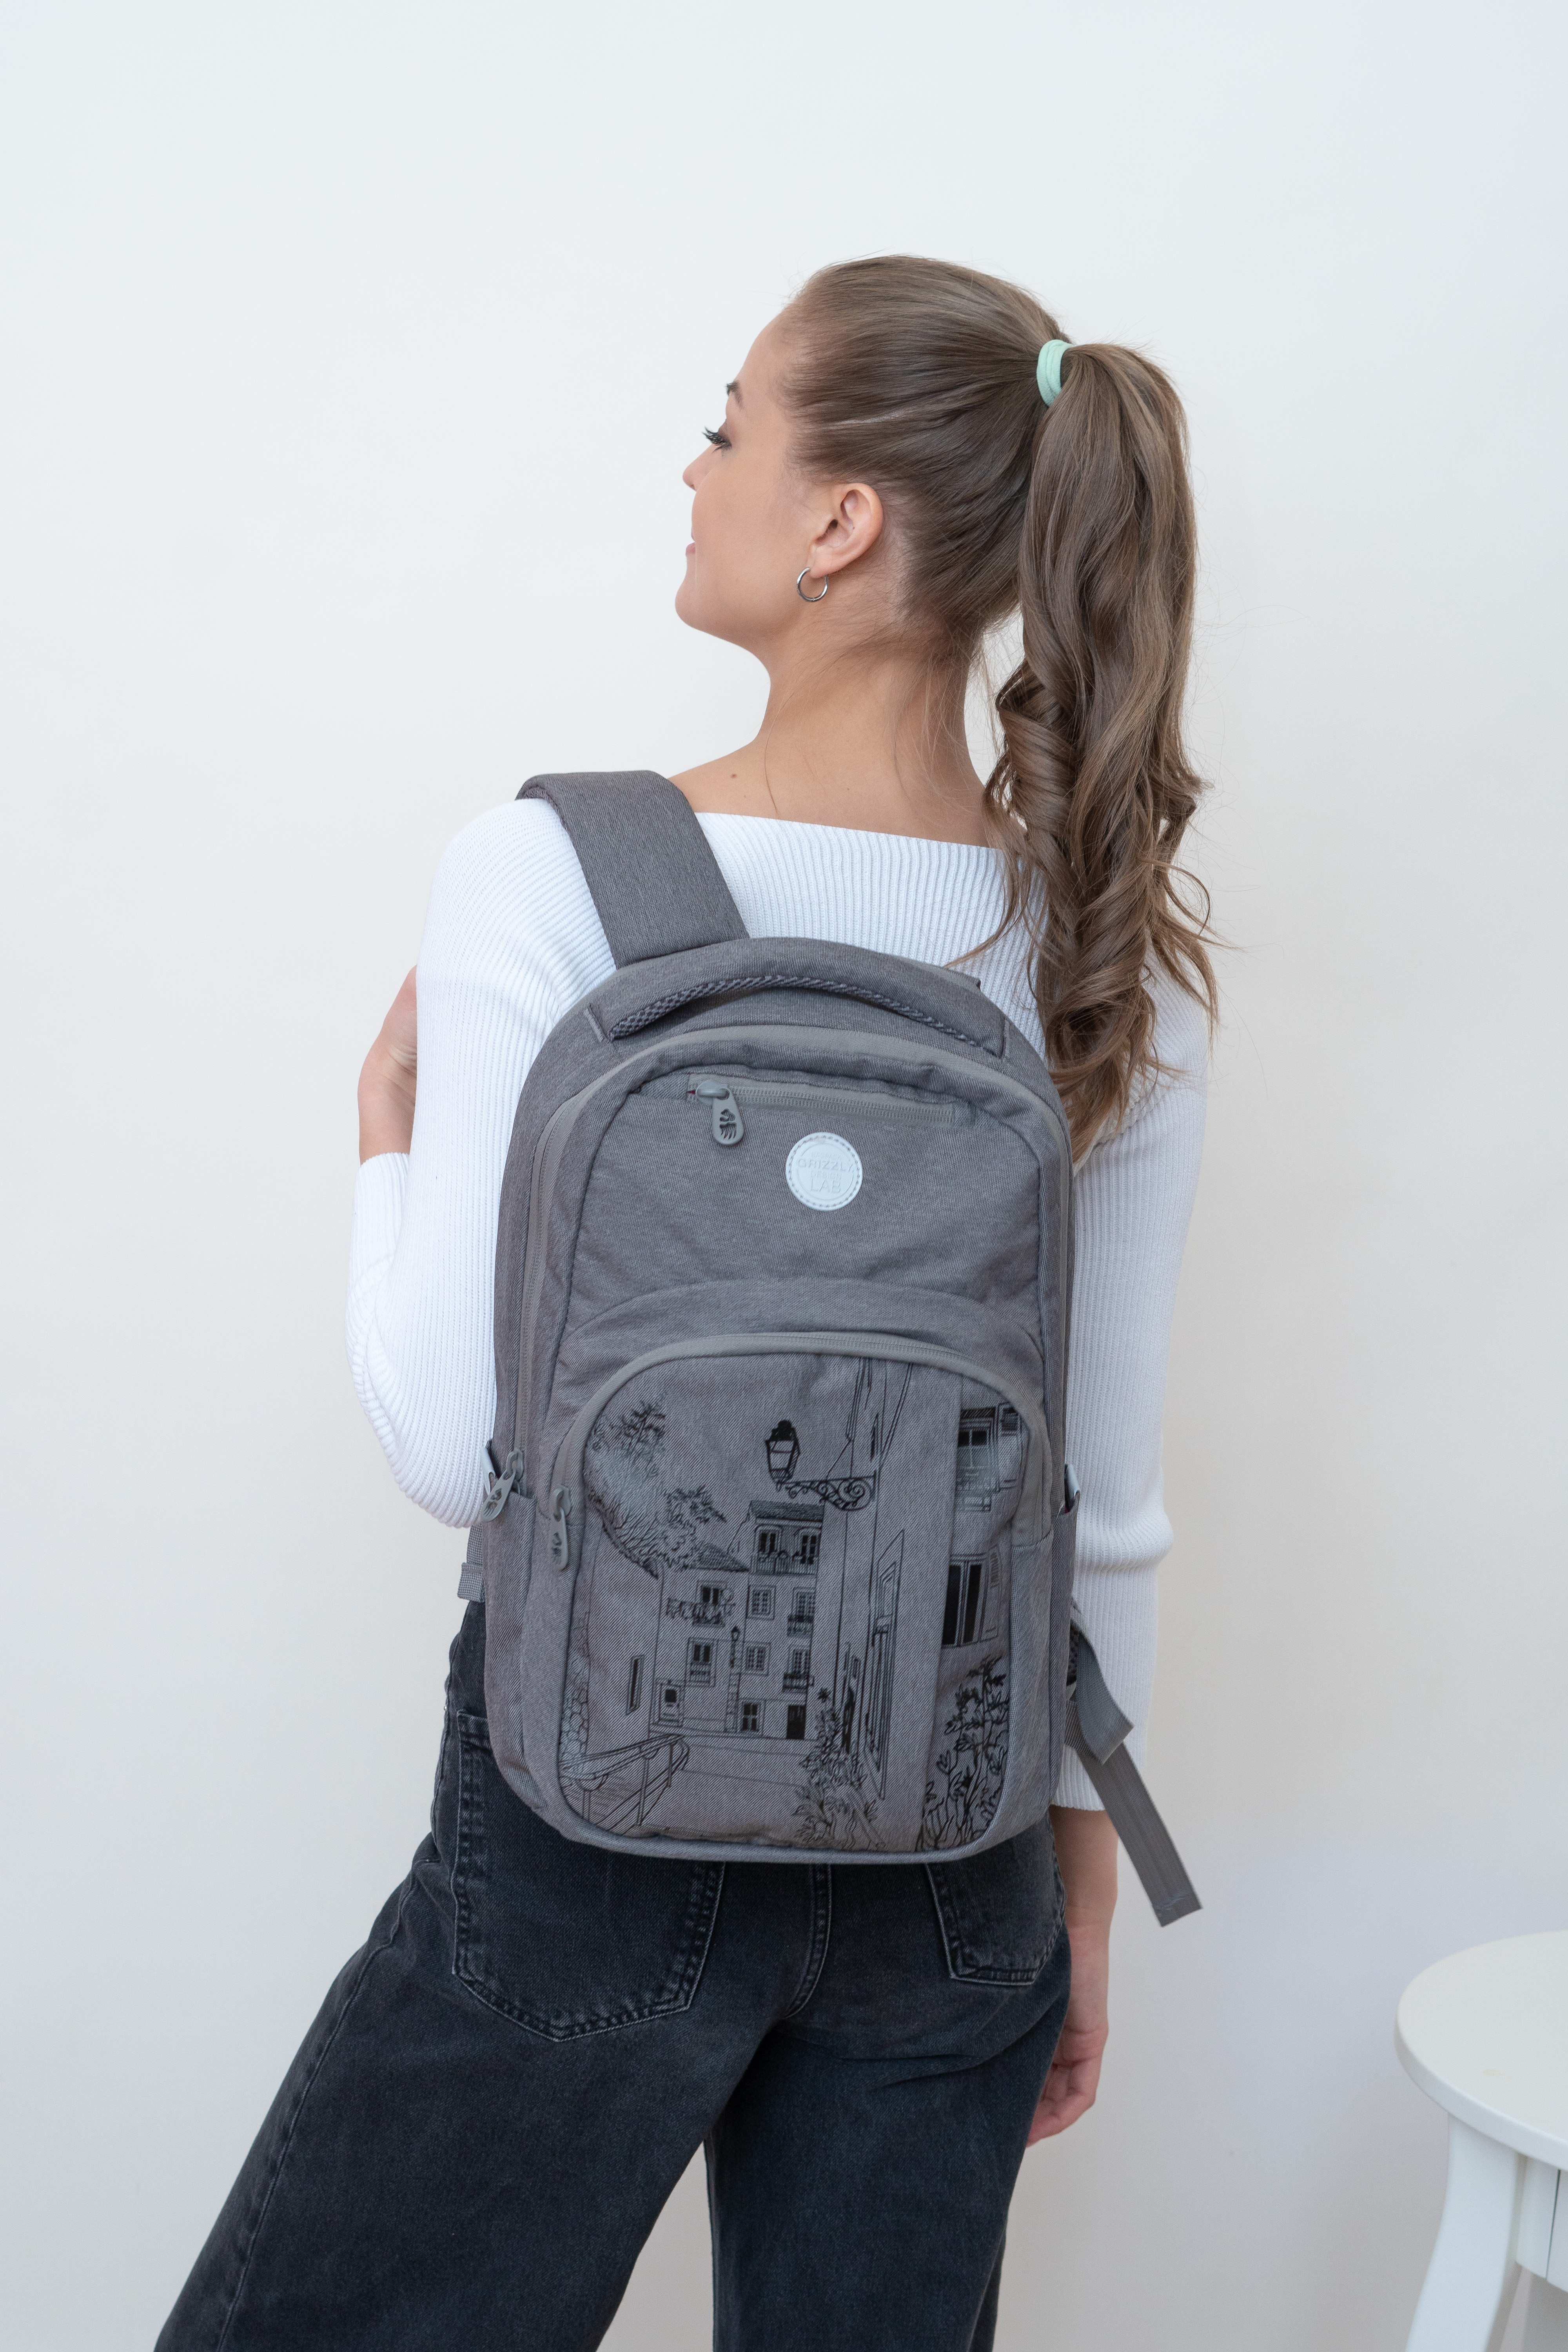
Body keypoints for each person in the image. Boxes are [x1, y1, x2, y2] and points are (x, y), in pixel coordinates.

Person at [159, 254, 1213, 2352]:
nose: (694, 469)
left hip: (596, 1816)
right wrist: (1076, 1865)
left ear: (841, 523)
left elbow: (450, 1443)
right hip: (958, 1848)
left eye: (731, 426)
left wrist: (383, 1143)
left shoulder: (551, 875)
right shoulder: (1100, 940)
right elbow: (1100, 1488)